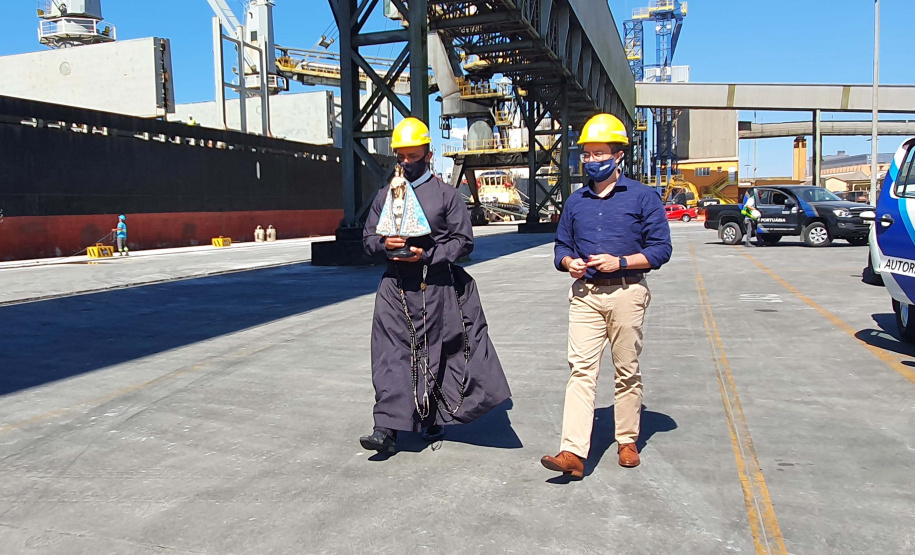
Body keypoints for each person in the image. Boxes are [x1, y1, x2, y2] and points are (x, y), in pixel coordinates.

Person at [360, 117, 511, 455]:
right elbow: (368, 239)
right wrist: (385, 246)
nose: (406, 163)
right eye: (402, 157)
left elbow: (464, 242)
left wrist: (427, 255)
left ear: (428, 155)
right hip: (394, 287)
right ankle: (386, 428)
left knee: (431, 356)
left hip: (435, 286)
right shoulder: (387, 195)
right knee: (389, 356)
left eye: (413, 157)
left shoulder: (446, 195)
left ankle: (430, 417)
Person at [541, 113, 672, 478]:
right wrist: (569, 262)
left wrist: (622, 262)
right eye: (586, 154)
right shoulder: (576, 201)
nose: (591, 160)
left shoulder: (644, 197)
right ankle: (572, 452)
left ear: (617, 156)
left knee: (626, 369)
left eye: (599, 154)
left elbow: (661, 249)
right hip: (585, 295)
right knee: (581, 370)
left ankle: (627, 439)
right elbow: (560, 247)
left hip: (627, 293)